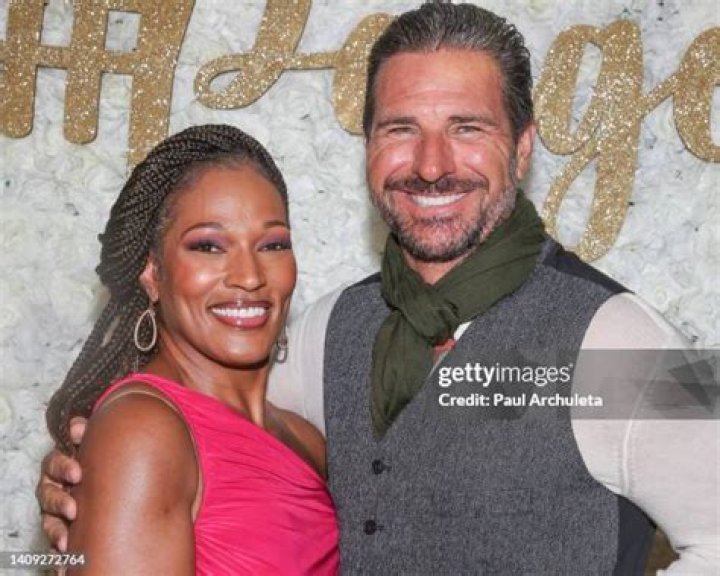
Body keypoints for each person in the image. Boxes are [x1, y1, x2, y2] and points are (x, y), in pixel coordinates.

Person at [39, 3, 718, 574]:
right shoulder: (325, 330)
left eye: (467, 128)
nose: (431, 165)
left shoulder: (629, 338)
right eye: (401, 129)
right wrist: (94, 474)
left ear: (521, 147)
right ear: (368, 147)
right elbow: (213, 443)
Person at [42, 124, 339, 574]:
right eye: (209, 246)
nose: (249, 276)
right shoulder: (142, 430)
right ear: (152, 273)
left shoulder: (306, 439)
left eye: (273, 244)